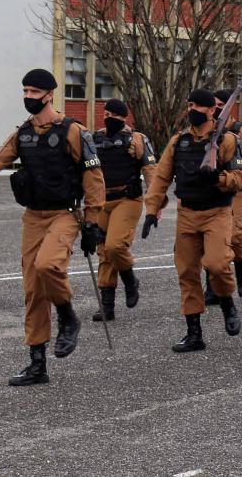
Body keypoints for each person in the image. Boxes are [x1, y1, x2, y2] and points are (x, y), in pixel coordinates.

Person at [0, 68, 106, 386]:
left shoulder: (73, 131)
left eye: (34, 93)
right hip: (34, 216)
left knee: (48, 265)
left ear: (50, 94)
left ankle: (66, 314)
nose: (28, 98)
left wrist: (93, 222)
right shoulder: (23, 133)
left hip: (64, 214)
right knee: (33, 290)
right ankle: (37, 364)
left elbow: (94, 179)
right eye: (25, 92)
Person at [140, 89, 242, 353]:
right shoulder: (179, 142)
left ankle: (226, 303)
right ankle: (193, 332)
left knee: (218, 264)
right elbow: (161, 177)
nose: (193, 110)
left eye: (199, 106)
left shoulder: (227, 140)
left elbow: (239, 179)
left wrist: (217, 178)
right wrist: (152, 209)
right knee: (187, 271)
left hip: (217, 212)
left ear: (212, 110)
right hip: (187, 213)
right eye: (190, 105)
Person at [90, 98, 157, 321]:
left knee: (115, 245)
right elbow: (84, 172)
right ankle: (107, 306)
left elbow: (150, 171)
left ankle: (130, 279)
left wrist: (154, 206)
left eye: (113, 115)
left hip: (127, 199)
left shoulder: (136, 139)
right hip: (101, 201)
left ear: (124, 117)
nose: (108, 118)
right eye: (105, 114)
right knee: (103, 250)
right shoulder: (95, 138)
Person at [202, 89, 242, 303]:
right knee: (210, 238)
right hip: (208, 191)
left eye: (220, 104)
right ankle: (212, 287)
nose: (216, 109)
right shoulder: (204, 130)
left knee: (234, 234)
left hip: (233, 190)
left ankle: (241, 267)